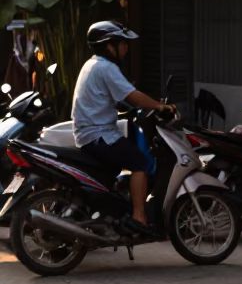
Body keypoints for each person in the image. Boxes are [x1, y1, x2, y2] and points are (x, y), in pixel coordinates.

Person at [72, 21, 174, 235]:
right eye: (122, 43)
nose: (126, 48)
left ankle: (113, 212)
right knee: (140, 162)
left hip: (88, 135)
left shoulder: (91, 64)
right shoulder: (107, 68)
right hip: (99, 135)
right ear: (109, 45)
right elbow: (133, 96)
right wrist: (159, 106)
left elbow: (109, 99)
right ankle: (139, 218)